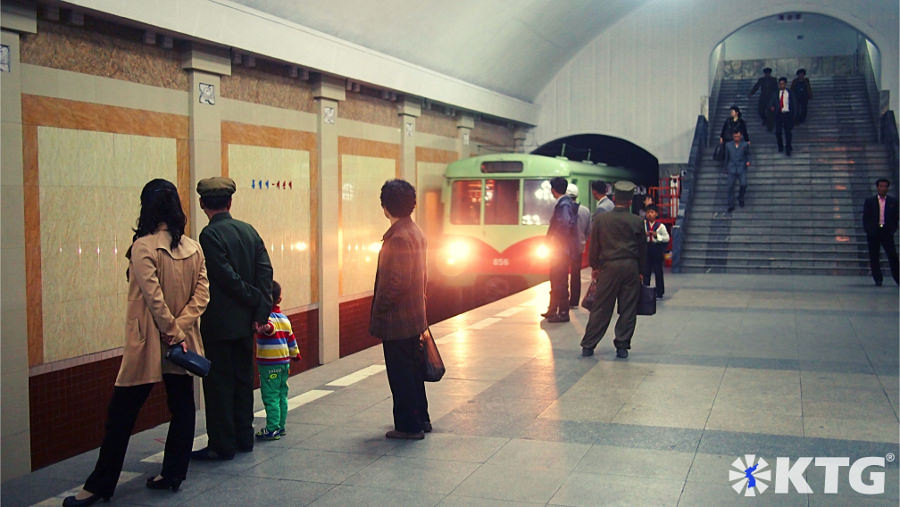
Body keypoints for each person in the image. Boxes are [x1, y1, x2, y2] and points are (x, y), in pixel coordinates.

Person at [63, 179, 209, 507]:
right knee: (183, 408)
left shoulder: (143, 246)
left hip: (149, 344)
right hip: (181, 346)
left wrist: (170, 331)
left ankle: (100, 485)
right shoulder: (193, 247)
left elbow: (152, 296)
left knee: (121, 415)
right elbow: (202, 295)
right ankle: (173, 474)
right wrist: (181, 330)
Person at [192, 177, 273, 461]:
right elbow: (265, 273)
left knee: (218, 386)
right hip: (246, 325)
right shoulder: (249, 231)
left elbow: (225, 277)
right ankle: (244, 438)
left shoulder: (208, 235)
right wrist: (259, 311)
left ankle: (222, 445)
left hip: (219, 325)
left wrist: (253, 300)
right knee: (242, 381)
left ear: (203, 204)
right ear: (230, 202)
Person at [370, 179, 430, 439]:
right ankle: (422, 419)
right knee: (413, 371)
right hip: (415, 315)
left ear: (385, 207)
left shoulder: (398, 238)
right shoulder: (415, 231)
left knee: (401, 374)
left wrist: (380, 310)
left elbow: (396, 282)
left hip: (398, 320)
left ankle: (408, 426)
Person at [580, 181, 646, 359]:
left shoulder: (601, 219)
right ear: (631, 201)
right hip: (630, 267)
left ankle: (589, 344)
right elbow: (642, 249)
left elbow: (594, 246)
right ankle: (622, 346)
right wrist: (642, 272)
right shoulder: (638, 221)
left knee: (601, 307)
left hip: (608, 268)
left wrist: (595, 267)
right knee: (628, 308)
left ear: (614, 198)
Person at [254, 281, 301, 441]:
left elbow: (270, 327)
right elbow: (291, 339)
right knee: (282, 394)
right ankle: (281, 426)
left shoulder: (267, 318)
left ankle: (272, 428)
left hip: (270, 366)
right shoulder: (285, 319)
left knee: (270, 395)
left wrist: (264, 328)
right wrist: (295, 354)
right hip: (284, 363)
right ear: (279, 299)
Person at [543, 176, 579, 323]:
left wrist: (556, 241)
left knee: (560, 280)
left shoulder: (563, 204)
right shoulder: (565, 202)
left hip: (560, 250)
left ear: (553, 190)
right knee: (555, 278)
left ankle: (563, 312)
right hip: (561, 249)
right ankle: (552, 309)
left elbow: (564, 224)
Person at [862, 178, 899, 286]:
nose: (883, 188)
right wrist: (869, 230)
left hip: (887, 232)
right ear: (877, 187)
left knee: (892, 255)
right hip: (874, 231)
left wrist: (893, 229)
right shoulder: (870, 201)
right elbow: (866, 216)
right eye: (881, 186)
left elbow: (896, 217)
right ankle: (878, 278)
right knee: (874, 256)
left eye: (885, 186)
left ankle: (897, 277)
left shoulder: (893, 202)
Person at [567, 183, 592, 308]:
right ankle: (574, 300)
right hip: (578, 247)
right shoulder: (585, 210)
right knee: (576, 274)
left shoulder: (562, 209)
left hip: (564, 248)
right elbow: (589, 231)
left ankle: (563, 298)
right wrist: (582, 240)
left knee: (562, 274)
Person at [642, 205, 669, 299]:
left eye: (652, 212)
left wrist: (657, 236)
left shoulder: (660, 226)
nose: (650, 214)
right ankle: (645, 290)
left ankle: (659, 291)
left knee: (658, 271)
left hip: (656, 248)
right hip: (646, 248)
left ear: (656, 214)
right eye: (648, 212)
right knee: (646, 270)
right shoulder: (643, 224)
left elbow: (667, 238)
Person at [723, 130, 751, 213]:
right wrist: (725, 168)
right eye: (735, 136)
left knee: (744, 184)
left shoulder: (745, 145)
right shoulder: (728, 145)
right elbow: (726, 157)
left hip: (741, 167)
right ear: (733, 136)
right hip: (731, 168)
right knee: (730, 187)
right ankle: (731, 205)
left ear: (741, 136)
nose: (736, 138)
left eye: (738, 136)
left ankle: (741, 197)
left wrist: (748, 161)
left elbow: (748, 154)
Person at [769, 77, 798, 157]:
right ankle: (780, 146)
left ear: (785, 84)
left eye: (783, 84)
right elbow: (771, 102)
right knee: (778, 132)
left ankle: (788, 147)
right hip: (779, 114)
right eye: (780, 84)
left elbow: (794, 104)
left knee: (788, 132)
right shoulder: (775, 93)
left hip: (787, 114)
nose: (781, 85)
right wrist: (772, 107)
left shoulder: (790, 93)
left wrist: (794, 115)